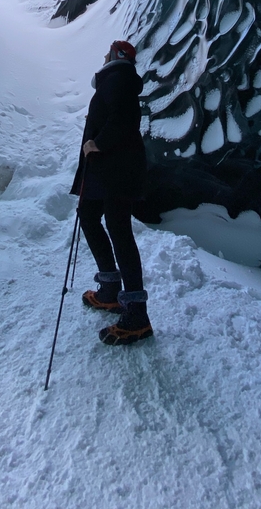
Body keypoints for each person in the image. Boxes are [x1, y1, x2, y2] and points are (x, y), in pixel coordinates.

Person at [70, 40, 153, 345]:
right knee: (90, 216)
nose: (104, 54)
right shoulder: (117, 79)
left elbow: (122, 119)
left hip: (115, 168)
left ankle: (136, 314)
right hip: (107, 169)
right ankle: (110, 289)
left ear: (118, 56)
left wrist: (97, 143)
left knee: (118, 228)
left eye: (110, 50)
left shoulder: (119, 78)